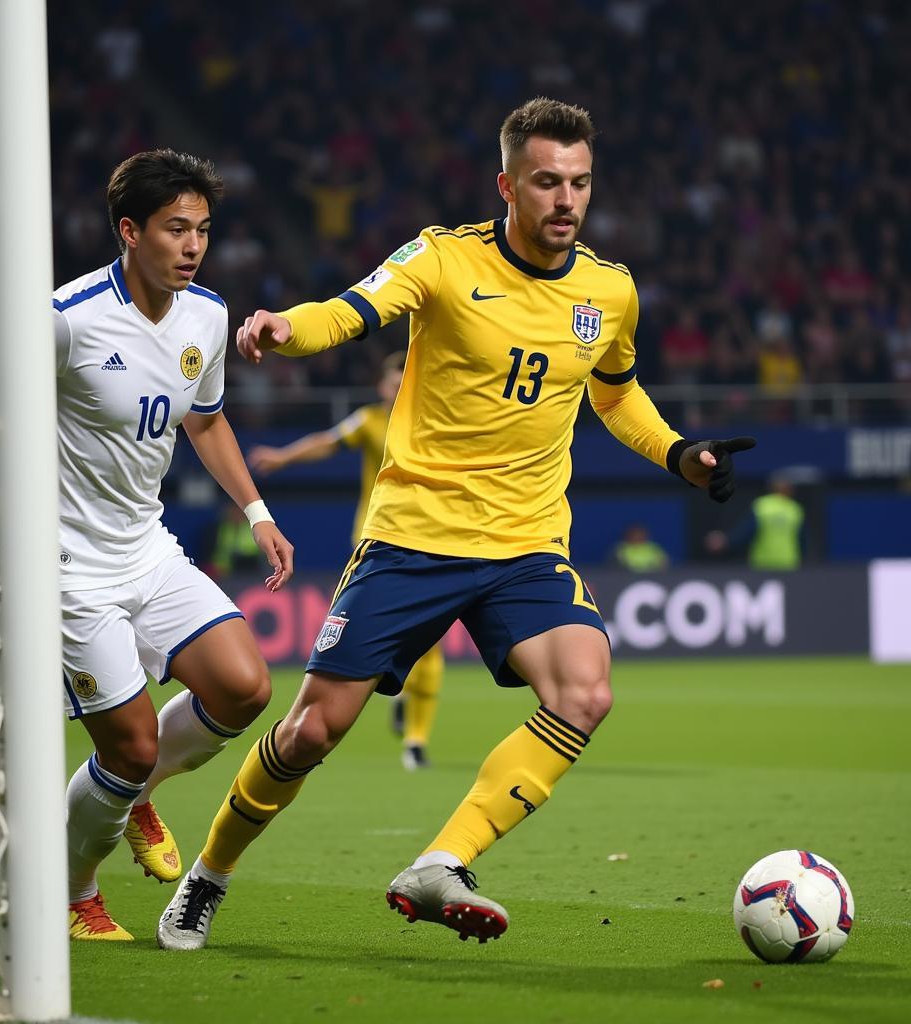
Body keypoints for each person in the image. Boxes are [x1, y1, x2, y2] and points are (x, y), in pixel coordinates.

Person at [157, 97, 755, 951]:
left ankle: (443, 860)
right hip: (415, 533)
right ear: (507, 184)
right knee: (310, 731)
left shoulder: (609, 289)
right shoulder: (442, 257)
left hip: (526, 542)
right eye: (547, 182)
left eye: (580, 184)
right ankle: (208, 875)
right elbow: (353, 308)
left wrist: (678, 453)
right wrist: (286, 329)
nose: (566, 201)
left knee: (585, 692)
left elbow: (615, 392)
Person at [0, 150, 294, 941]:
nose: (193, 245)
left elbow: (203, 419)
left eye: (202, 229)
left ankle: (132, 795)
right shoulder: (65, 316)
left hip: (147, 547)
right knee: (128, 748)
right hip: (65, 567)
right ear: (130, 231)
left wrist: (257, 509)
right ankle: (72, 892)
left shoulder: (206, 313)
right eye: (175, 229)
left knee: (244, 689)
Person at [247, 350, 445, 771]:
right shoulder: (370, 422)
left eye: (406, 380)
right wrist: (283, 457)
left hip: (434, 541)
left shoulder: (439, 420)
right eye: (394, 381)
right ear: (382, 387)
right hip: (377, 543)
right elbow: (327, 441)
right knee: (355, 641)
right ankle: (319, 723)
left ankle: (415, 741)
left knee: (430, 649)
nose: (399, 388)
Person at [705, 475, 803, 570]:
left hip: (763, 562)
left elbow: (746, 532)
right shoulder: (795, 509)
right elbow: (801, 540)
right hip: (788, 562)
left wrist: (726, 541)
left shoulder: (762, 506)